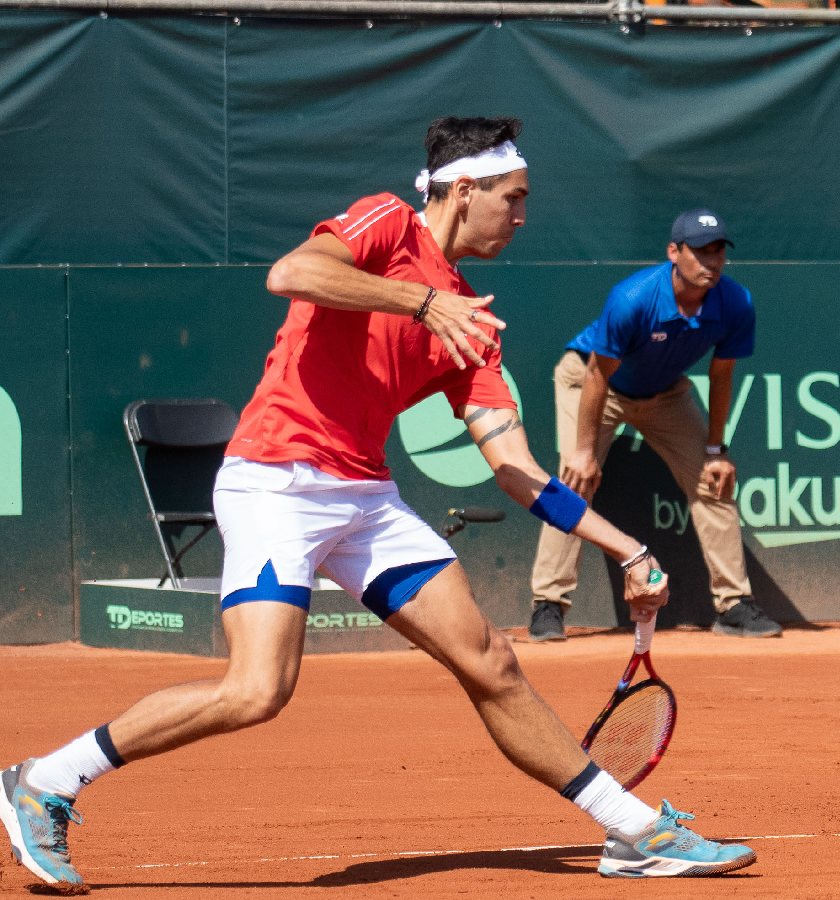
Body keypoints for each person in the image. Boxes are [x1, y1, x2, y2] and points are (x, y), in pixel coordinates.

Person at [0, 117, 755, 891]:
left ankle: (632, 831)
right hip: (276, 481)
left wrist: (624, 545)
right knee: (258, 690)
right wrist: (421, 303)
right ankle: (46, 780)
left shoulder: (473, 322)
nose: (522, 217)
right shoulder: (387, 223)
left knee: (490, 660)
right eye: (514, 199)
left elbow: (517, 471)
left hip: (365, 498)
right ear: (465, 191)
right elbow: (292, 273)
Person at [526, 209, 780, 640]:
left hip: (665, 394)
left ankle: (734, 604)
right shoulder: (634, 298)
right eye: (700, 252)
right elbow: (596, 374)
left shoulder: (735, 302)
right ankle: (548, 604)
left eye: (718, 252)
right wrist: (584, 452)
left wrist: (717, 450)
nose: (711, 262)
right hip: (592, 384)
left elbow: (721, 375)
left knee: (712, 479)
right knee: (574, 482)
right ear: (673, 252)